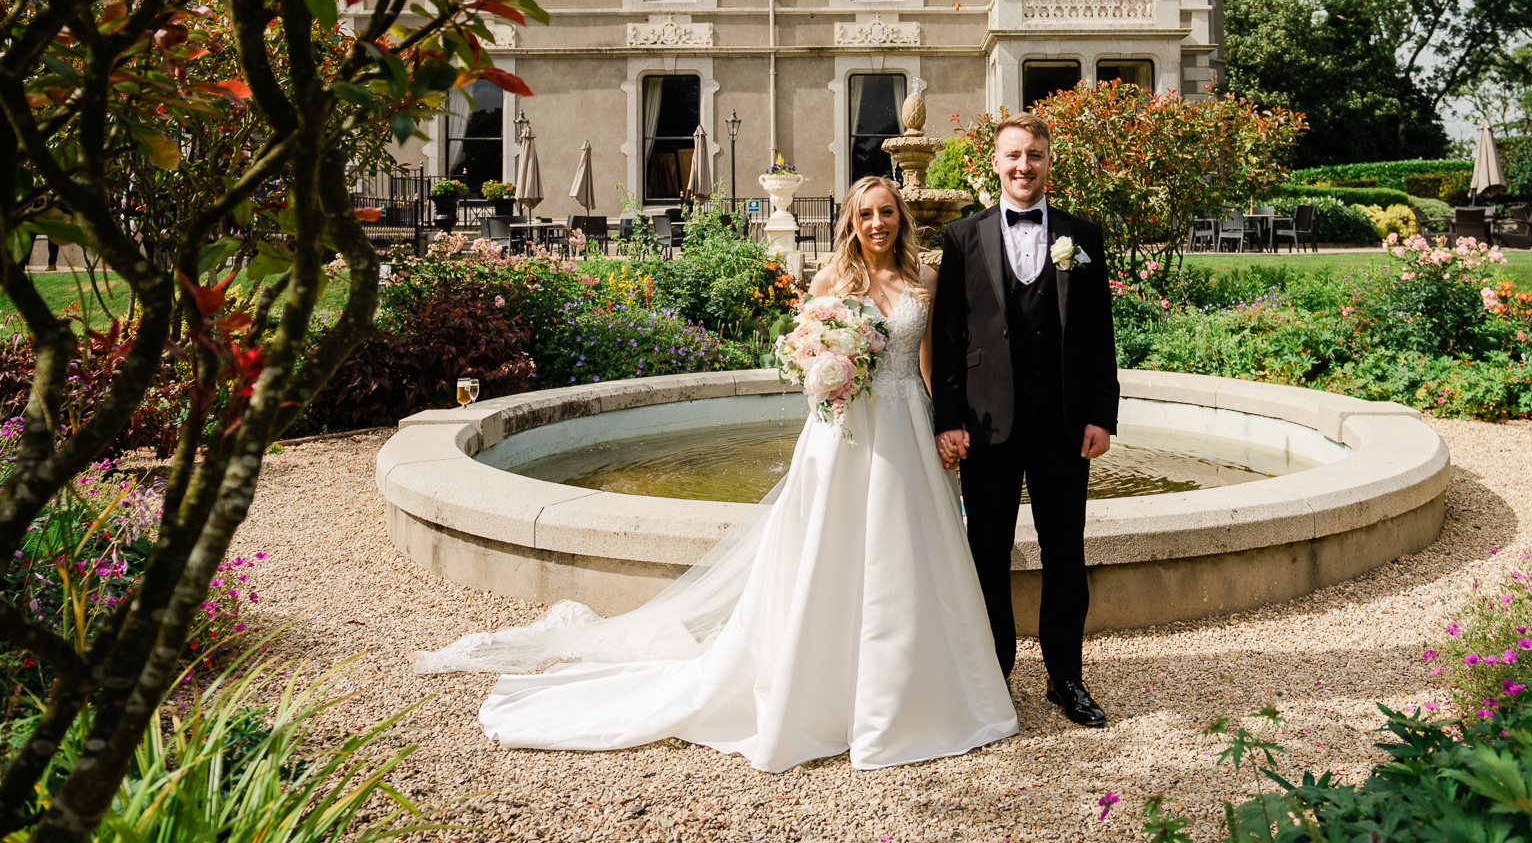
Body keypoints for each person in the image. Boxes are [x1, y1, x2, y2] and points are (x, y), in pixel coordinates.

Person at [416, 179, 1017, 772]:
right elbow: (808, 354)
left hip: (908, 425)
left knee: (909, 553)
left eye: (887, 212)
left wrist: (945, 426)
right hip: (843, 436)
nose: (878, 224)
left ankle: (916, 690)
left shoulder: (925, 282)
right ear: (851, 223)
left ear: (901, 219)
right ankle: (826, 686)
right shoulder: (832, 281)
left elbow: (929, 365)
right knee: (832, 553)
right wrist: (825, 374)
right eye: (866, 215)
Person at [931, 111, 1118, 728]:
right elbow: (950, 338)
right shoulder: (962, 239)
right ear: (995, 162)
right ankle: (994, 676)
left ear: (1048, 161)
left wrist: (1101, 413)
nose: (1023, 166)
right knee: (987, 555)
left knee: (1065, 553)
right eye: (1013, 155)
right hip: (987, 426)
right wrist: (948, 419)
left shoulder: (1082, 233)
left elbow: (1098, 336)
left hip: (1064, 425)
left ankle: (1067, 678)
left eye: (1034, 155)